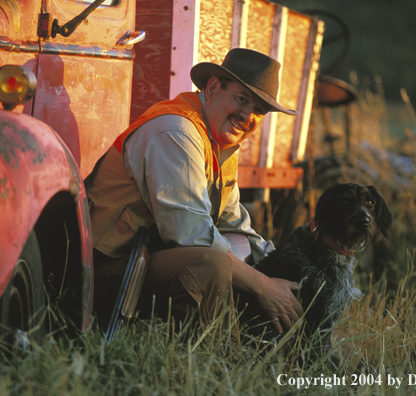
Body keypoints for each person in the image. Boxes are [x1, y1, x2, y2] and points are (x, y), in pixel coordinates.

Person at [85, 48, 303, 338]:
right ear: (212, 88)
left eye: (259, 111)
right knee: (210, 265)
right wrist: (263, 286)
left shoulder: (220, 141)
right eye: (241, 99)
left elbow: (237, 228)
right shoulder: (175, 132)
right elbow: (191, 235)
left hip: (149, 260)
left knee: (251, 259)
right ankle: (215, 364)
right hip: (110, 271)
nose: (247, 116)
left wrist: (290, 270)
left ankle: (289, 351)